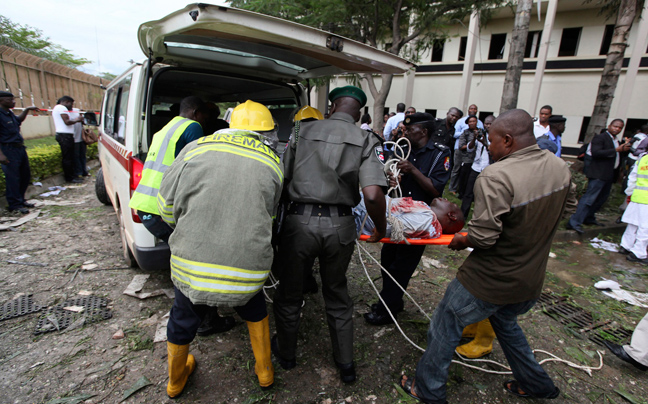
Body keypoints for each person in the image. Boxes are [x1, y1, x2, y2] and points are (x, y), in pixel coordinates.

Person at [399, 109, 569, 403]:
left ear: (507, 140)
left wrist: (463, 238)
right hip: (530, 278)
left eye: (490, 141)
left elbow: (484, 236)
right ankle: (538, 385)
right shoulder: (560, 167)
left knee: (445, 323)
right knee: (505, 323)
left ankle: (428, 389)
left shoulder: (497, 176)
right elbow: (567, 209)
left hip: (490, 279)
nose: (487, 147)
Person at [157, 100, 283, 397]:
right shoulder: (273, 163)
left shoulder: (195, 149)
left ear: (231, 126)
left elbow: (165, 207)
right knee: (253, 307)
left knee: (183, 316)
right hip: (247, 270)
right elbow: (270, 217)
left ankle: (175, 382)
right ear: (266, 133)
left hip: (193, 267)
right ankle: (264, 372)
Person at [272, 85, 387, 384]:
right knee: (337, 293)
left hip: (299, 223)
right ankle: (346, 366)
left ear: (333, 107)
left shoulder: (299, 130)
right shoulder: (367, 139)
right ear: (359, 113)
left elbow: (281, 177)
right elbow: (373, 195)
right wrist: (381, 227)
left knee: (289, 293)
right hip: (340, 226)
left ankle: (286, 355)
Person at [129, 96, 234, 336]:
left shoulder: (166, 128)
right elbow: (204, 162)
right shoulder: (192, 127)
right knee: (197, 261)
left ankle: (196, 317)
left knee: (187, 259)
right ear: (197, 113)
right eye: (206, 116)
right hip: (159, 207)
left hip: (146, 204)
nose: (207, 122)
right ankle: (205, 321)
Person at [364, 112, 461, 326]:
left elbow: (436, 189)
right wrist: (391, 178)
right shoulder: (399, 150)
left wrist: (413, 170)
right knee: (388, 260)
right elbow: (383, 179)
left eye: (410, 130)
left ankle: (386, 310)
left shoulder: (439, 154)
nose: (404, 132)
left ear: (424, 131)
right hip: (397, 214)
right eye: (404, 129)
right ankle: (393, 301)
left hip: (420, 222)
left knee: (402, 266)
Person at [568, 119, 631, 234]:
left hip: (609, 175)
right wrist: (616, 149)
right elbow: (596, 152)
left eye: (620, 128)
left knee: (600, 199)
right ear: (610, 125)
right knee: (589, 199)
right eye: (615, 126)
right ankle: (574, 222)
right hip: (598, 173)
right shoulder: (601, 138)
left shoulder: (616, 140)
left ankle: (589, 218)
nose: (617, 129)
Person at [0, 91, 40, 214]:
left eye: (13, 99)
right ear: (1, 100)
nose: (13, 102)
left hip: (19, 148)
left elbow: (18, 121)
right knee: (13, 178)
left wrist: (27, 109)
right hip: (8, 149)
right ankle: (14, 205)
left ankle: (21, 200)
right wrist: (1, 155)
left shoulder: (9, 113)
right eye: (10, 100)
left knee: (24, 175)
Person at [460, 115, 495, 219]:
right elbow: (470, 149)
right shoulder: (480, 133)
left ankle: (483, 217)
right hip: (476, 166)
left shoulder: (496, 136)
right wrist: (474, 138)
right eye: (486, 123)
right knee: (468, 192)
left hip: (489, 168)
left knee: (486, 194)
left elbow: (493, 151)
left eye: (490, 124)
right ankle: (463, 216)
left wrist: (484, 142)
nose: (487, 126)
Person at [618, 151, 648, 264]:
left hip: (637, 196)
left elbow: (632, 177)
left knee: (633, 224)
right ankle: (638, 253)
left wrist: (629, 193)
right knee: (645, 227)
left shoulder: (643, 158)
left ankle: (625, 246)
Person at [450, 105, 483, 193]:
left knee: (468, 172)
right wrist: (465, 132)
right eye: (471, 108)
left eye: (475, 108)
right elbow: (454, 134)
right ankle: (452, 188)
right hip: (460, 150)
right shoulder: (461, 122)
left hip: (475, 154)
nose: (472, 123)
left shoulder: (480, 124)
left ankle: (465, 190)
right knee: (456, 169)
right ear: (468, 110)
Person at [52, 96, 85, 183]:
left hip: (66, 135)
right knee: (68, 158)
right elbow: (67, 122)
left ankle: (72, 176)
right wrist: (78, 119)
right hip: (64, 136)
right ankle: (70, 178)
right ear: (66, 102)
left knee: (70, 156)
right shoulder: (61, 107)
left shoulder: (58, 108)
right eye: (71, 103)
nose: (72, 106)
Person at [456, 116, 482, 198]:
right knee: (464, 177)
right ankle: (461, 193)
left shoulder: (481, 132)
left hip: (479, 159)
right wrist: (470, 145)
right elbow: (461, 146)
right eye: (470, 121)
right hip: (467, 158)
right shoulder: (465, 133)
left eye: (473, 121)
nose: (472, 123)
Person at [70, 107, 89, 179]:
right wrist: (77, 119)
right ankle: (78, 172)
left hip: (81, 138)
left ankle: (84, 171)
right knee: (76, 157)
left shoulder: (76, 110)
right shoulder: (66, 113)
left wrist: (83, 118)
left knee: (82, 156)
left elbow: (84, 122)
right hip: (74, 139)